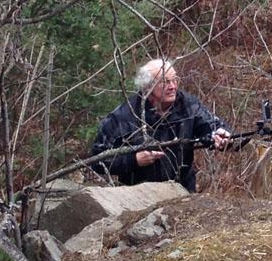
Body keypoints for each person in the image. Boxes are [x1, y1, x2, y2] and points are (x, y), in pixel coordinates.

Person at [90, 58, 231, 193]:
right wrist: (134, 160)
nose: (173, 86)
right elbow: (97, 160)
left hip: (183, 191)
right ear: (147, 87)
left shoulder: (187, 105)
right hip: (137, 195)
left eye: (175, 79)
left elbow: (212, 125)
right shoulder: (124, 116)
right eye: (165, 82)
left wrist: (221, 135)